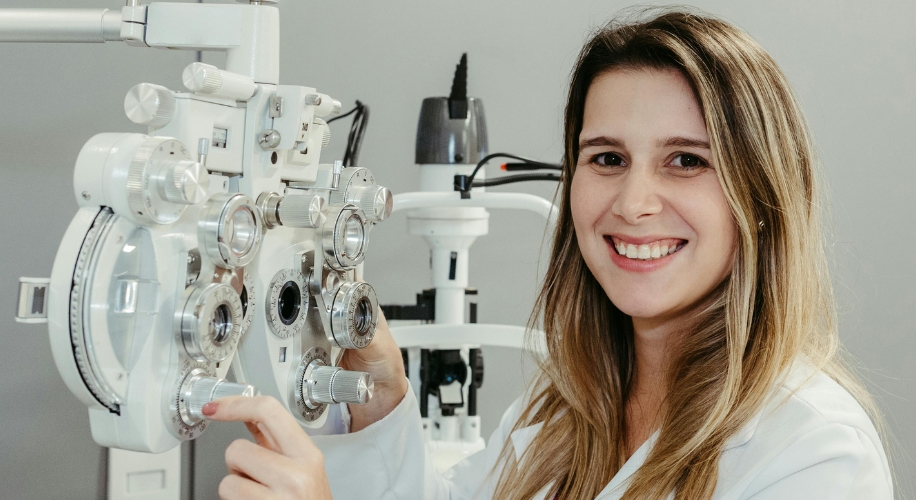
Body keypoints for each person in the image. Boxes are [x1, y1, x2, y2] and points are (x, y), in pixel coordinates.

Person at [201, 7, 893, 499]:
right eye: (607, 158)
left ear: (763, 195)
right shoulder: (562, 409)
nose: (634, 202)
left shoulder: (813, 455)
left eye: (686, 160)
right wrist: (381, 404)